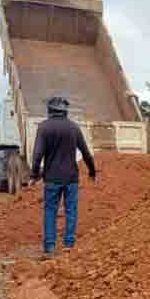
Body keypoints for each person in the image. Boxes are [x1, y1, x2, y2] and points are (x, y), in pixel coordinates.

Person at [30, 97, 96, 257]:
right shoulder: (74, 128)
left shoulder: (44, 127)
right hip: (71, 178)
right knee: (70, 210)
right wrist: (92, 171)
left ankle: (50, 247)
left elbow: (37, 154)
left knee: (50, 211)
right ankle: (68, 244)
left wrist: (34, 174)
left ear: (50, 110)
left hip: (52, 178)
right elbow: (86, 153)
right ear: (65, 111)